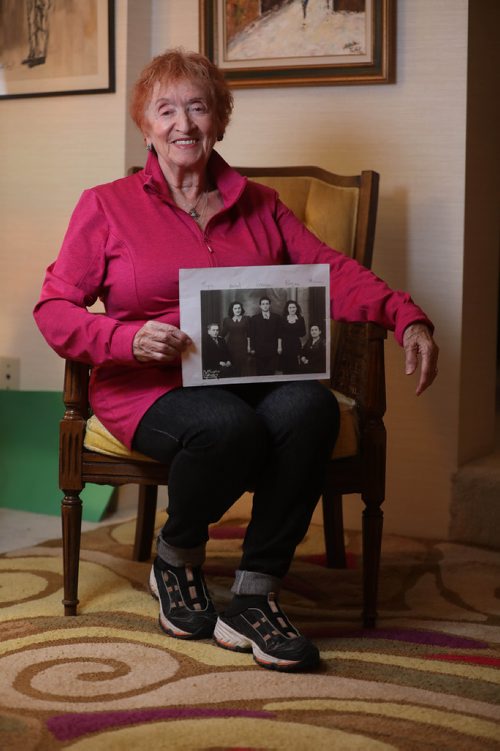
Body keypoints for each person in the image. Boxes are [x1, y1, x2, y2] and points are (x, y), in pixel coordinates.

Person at [33, 49, 439, 673]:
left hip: (251, 376)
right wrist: (125, 339)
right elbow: (55, 308)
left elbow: (331, 271)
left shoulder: (262, 204)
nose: (183, 124)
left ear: (220, 120)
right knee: (227, 425)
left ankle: (253, 593)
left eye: (197, 107)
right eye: (165, 110)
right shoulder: (107, 205)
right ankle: (176, 554)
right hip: (147, 386)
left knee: (309, 406)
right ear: (146, 126)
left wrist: (405, 314)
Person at [249, 297, 283, 375]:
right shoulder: (254, 318)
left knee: (271, 372)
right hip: (259, 350)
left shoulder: (277, 317)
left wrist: (279, 347)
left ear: (270, 305)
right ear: (260, 306)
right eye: (263, 304)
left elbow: (279, 333)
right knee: (260, 372)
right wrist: (253, 348)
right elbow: (252, 335)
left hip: (272, 349)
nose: (265, 306)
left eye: (267, 304)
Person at [221, 301, 251, 376]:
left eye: (239, 308)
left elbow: (249, 334)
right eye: (235, 308)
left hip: (243, 346)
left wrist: (248, 346)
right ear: (232, 310)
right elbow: (222, 334)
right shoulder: (227, 320)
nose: (237, 310)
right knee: (232, 366)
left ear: (241, 309)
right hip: (231, 346)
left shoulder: (246, 319)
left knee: (242, 367)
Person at [280, 300, 307, 374]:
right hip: (285, 345)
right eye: (290, 307)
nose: (292, 309)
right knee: (286, 366)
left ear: (296, 308)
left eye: (294, 307)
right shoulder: (283, 319)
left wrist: (293, 333)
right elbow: (280, 333)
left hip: (296, 344)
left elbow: (303, 333)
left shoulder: (300, 319)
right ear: (287, 309)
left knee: (295, 366)